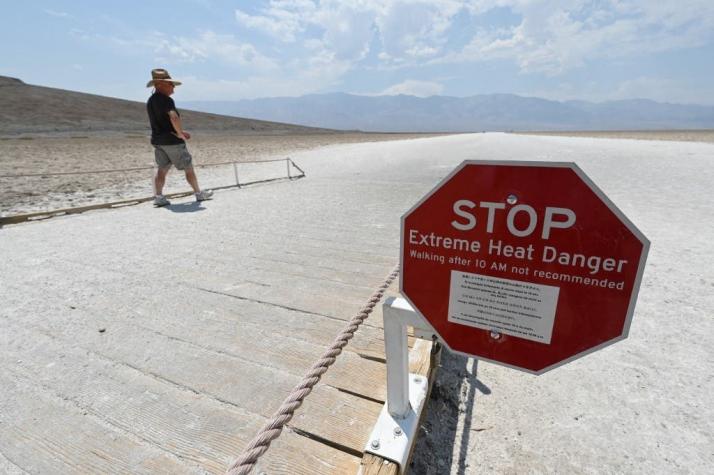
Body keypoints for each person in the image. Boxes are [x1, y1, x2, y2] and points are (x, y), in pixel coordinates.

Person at [146, 68, 213, 207]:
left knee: (162, 169)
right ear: (160, 84)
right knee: (188, 167)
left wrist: (178, 130)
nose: (173, 88)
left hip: (158, 141)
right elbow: (174, 117)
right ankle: (199, 194)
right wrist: (180, 133)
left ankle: (158, 197)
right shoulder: (166, 100)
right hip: (172, 141)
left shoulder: (151, 100)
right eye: (170, 84)